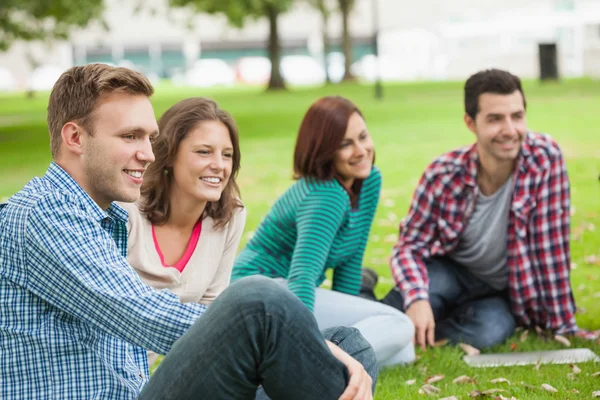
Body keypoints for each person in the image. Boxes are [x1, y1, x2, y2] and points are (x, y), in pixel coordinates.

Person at [0, 64, 377, 400]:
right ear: (76, 138)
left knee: (350, 345)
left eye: (149, 137)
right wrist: (301, 340)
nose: (148, 153)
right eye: (130, 136)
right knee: (260, 303)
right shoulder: (44, 215)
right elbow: (146, 315)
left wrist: (315, 345)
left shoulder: (104, 216)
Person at [362, 68, 597, 352]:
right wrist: (417, 298)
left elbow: (552, 249)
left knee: (488, 332)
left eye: (517, 116)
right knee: (405, 307)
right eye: (495, 119)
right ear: (470, 123)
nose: (510, 130)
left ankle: (426, 329)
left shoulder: (544, 159)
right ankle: (374, 300)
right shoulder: (444, 174)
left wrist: (563, 325)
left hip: (501, 291)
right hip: (451, 272)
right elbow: (408, 247)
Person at [232, 96, 415, 367]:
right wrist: (298, 341)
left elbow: (351, 260)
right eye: (345, 144)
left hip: (284, 293)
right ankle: (302, 363)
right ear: (324, 150)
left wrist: (348, 322)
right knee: (397, 324)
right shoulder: (326, 195)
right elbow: (302, 277)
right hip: (261, 294)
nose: (361, 150)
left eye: (363, 137)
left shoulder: (368, 181)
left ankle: (327, 354)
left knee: (403, 353)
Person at [118, 97, 246, 366]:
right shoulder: (125, 212)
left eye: (227, 154)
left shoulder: (230, 217)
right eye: (203, 152)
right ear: (169, 156)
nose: (219, 165)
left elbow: (212, 310)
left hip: (170, 371)